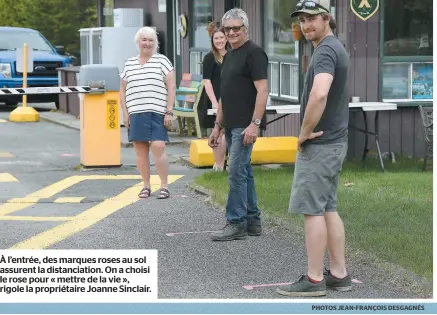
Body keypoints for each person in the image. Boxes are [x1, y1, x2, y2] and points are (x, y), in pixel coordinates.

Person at [276, 1, 351, 297]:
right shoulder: (333, 48)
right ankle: (339, 274)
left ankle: (315, 278)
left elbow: (320, 93)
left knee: (312, 211)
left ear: (326, 19)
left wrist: (304, 133)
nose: (306, 25)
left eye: (311, 19)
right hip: (334, 142)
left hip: (319, 144)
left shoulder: (325, 52)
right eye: (302, 20)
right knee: (327, 207)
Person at [208, 8, 269, 241]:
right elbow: (224, 95)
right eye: (228, 28)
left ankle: (236, 222)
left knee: (234, 171)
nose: (232, 32)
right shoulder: (229, 55)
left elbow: (262, 90)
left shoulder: (254, 53)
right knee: (244, 172)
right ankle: (253, 221)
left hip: (245, 125)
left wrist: (255, 124)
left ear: (245, 29)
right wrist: (217, 126)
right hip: (230, 124)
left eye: (237, 28)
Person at [119, 26, 176, 200]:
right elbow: (122, 90)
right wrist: (125, 113)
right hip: (136, 112)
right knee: (140, 150)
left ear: (155, 43)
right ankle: (146, 185)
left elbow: (171, 87)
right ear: (138, 42)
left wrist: (169, 111)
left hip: (158, 112)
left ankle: (164, 186)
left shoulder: (162, 61)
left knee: (158, 146)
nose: (147, 43)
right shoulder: (129, 63)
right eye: (144, 40)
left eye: (151, 40)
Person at [199, 22, 228, 171]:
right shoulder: (210, 58)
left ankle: (222, 163)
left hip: (230, 98)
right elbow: (206, 81)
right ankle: (218, 164)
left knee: (225, 131)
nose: (219, 41)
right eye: (216, 38)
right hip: (214, 97)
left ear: (226, 38)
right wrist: (215, 103)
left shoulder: (232, 55)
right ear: (212, 40)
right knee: (217, 131)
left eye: (221, 37)